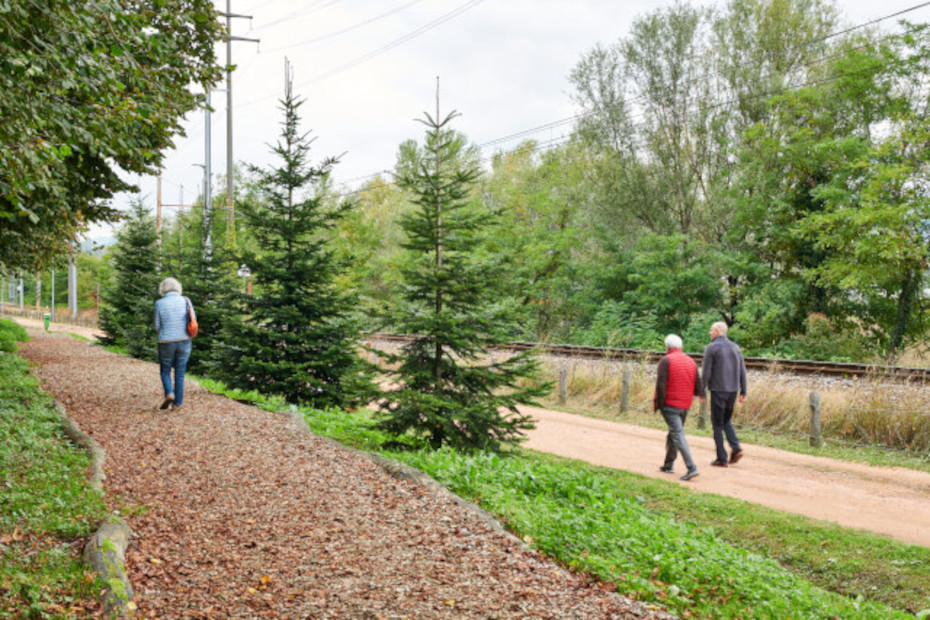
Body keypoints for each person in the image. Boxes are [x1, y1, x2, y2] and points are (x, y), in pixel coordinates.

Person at [653, 334, 702, 481]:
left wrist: (659, 405)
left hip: (670, 404)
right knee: (674, 433)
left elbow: (661, 386)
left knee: (678, 435)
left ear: (667, 346)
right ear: (680, 346)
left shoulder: (665, 361)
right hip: (685, 405)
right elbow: (698, 386)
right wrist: (688, 398)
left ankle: (691, 467)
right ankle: (668, 464)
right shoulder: (691, 361)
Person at [701, 321, 747, 467]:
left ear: (717, 331)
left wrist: (702, 391)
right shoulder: (735, 347)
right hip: (732, 390)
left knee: (717, 424)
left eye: (711, 330)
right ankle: (736, 447)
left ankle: (721, 457)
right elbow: (742, 371)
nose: (710, 333)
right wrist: (743, 391)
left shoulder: (711, 348)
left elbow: (706, 372)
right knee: (726, 420)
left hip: (718, 390)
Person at [154, 277, 195, 411]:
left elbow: (156, 325)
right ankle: (178, 404)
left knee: (165, 370)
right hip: (184, 340)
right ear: (178, 287)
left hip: (166, 341)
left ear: (163, 289)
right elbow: (193, 320)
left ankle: (169, 393)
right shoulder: (185, 300)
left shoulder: (159, 303)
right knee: (180, 372)